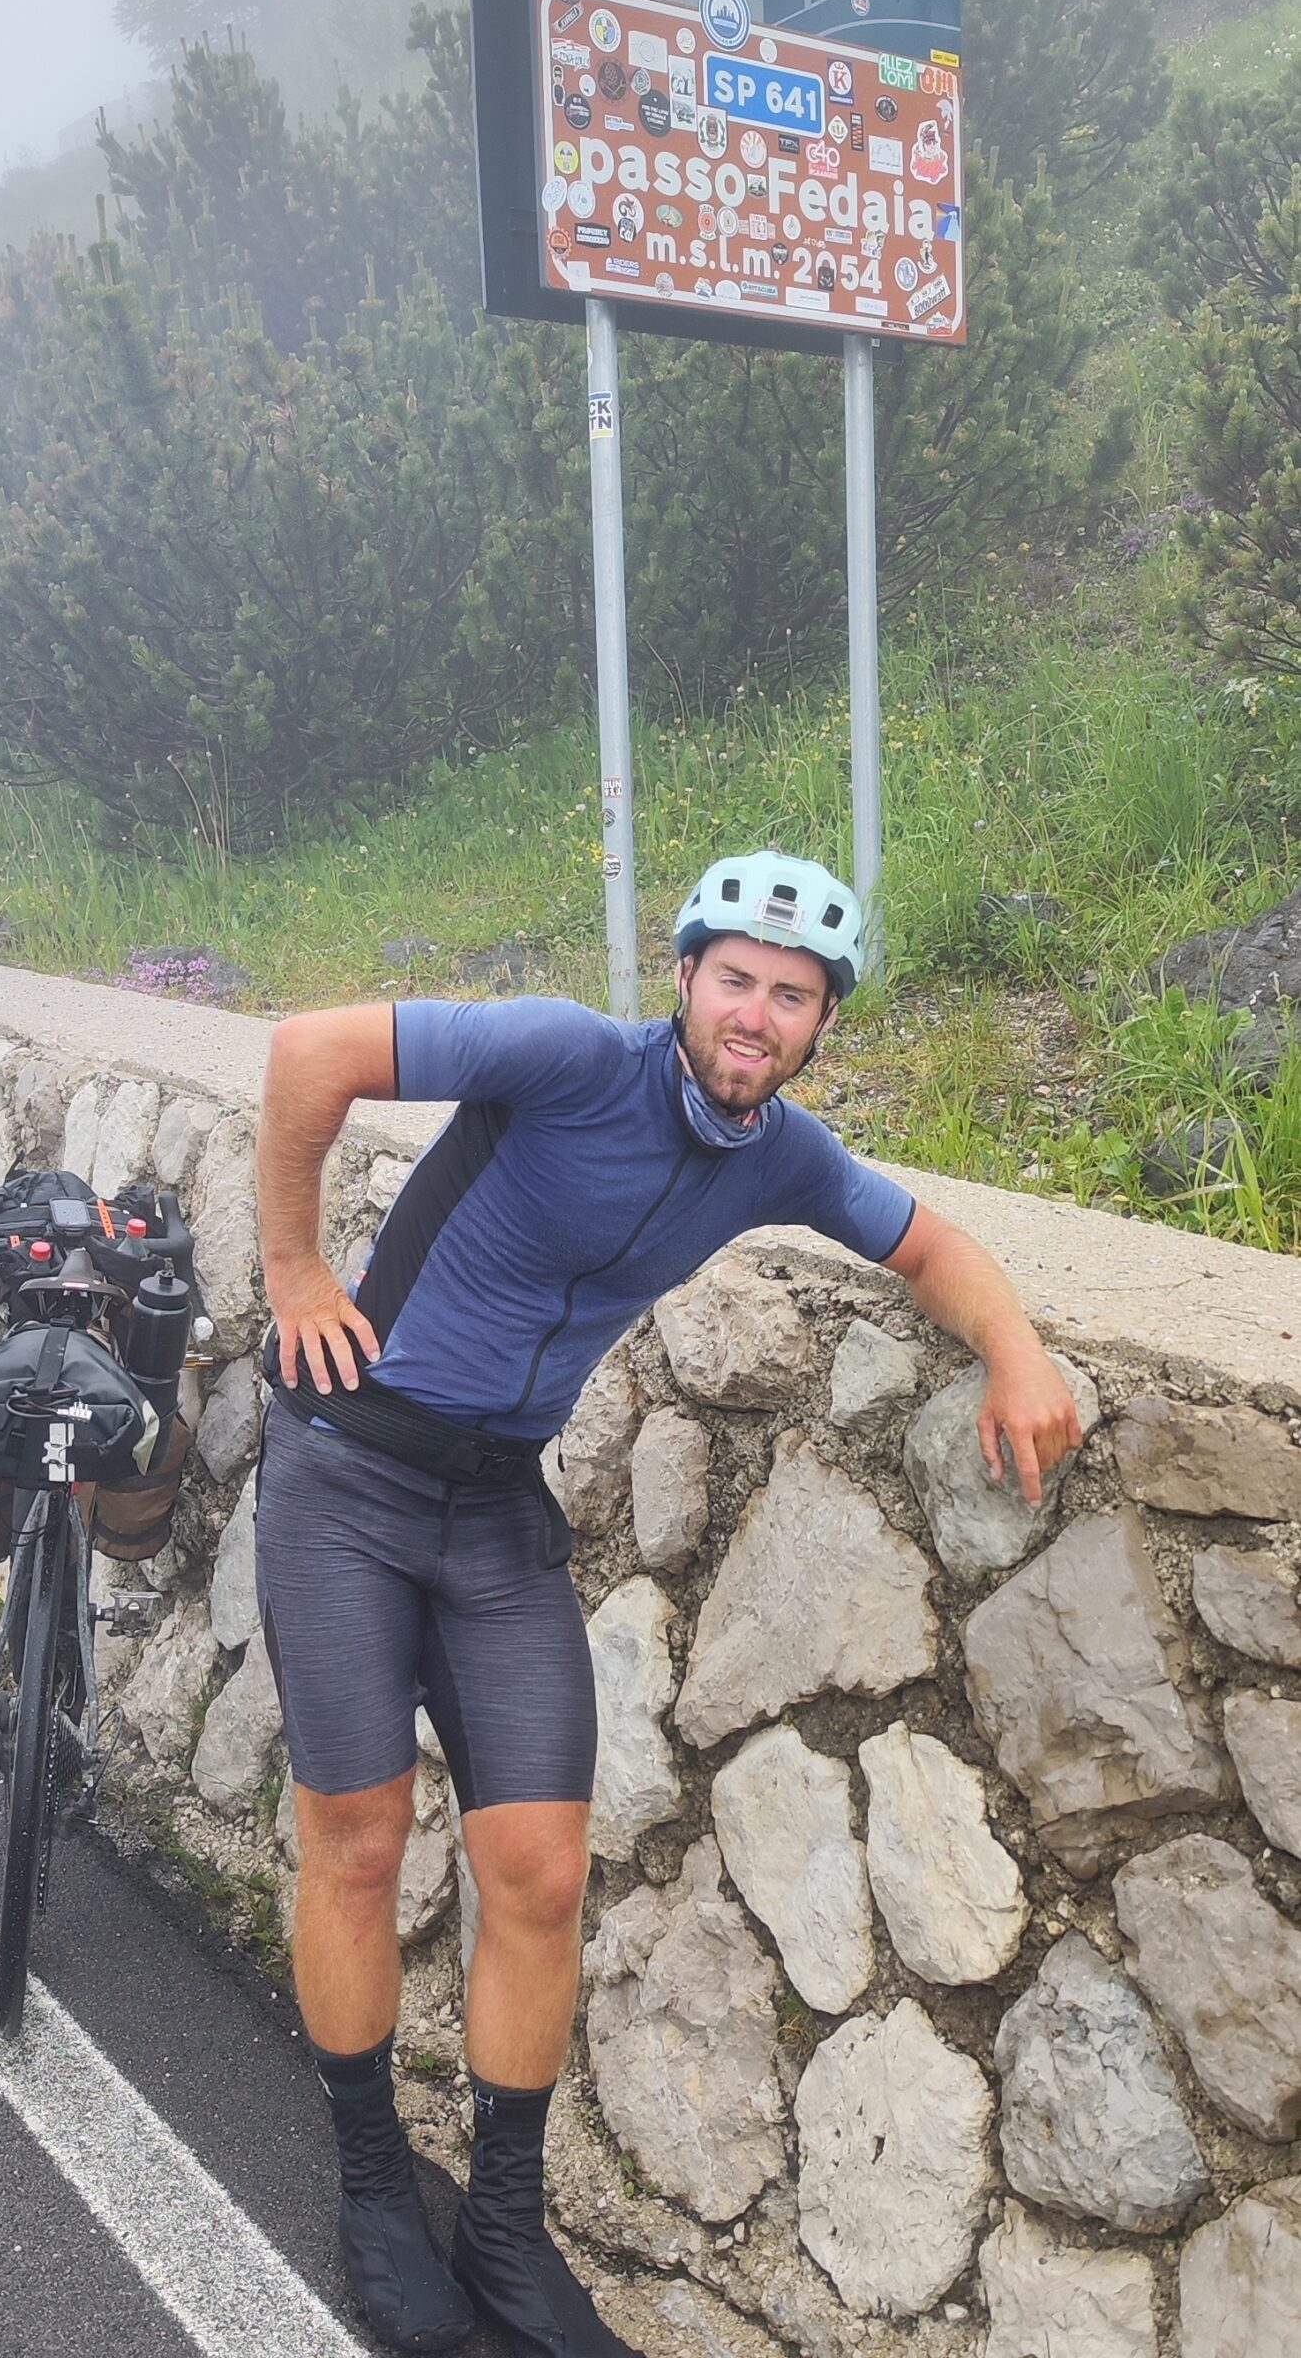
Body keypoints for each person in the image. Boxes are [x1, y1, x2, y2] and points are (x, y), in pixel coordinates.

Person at [253, 849, 1084, 2358]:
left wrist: (1018, 1351)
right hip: (350, 1472)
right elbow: (309, 1051)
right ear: (686, 977)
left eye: (795, 995)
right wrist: (296, 1266)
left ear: (820, 1024)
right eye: (737, 979)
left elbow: (932, 1246)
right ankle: (376, 2191)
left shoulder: (781, 1154)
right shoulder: (569, 1054)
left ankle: (503, 2223)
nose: (757, 1014)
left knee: (543, 1875)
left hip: (497, 1504)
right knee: (361, 1838)